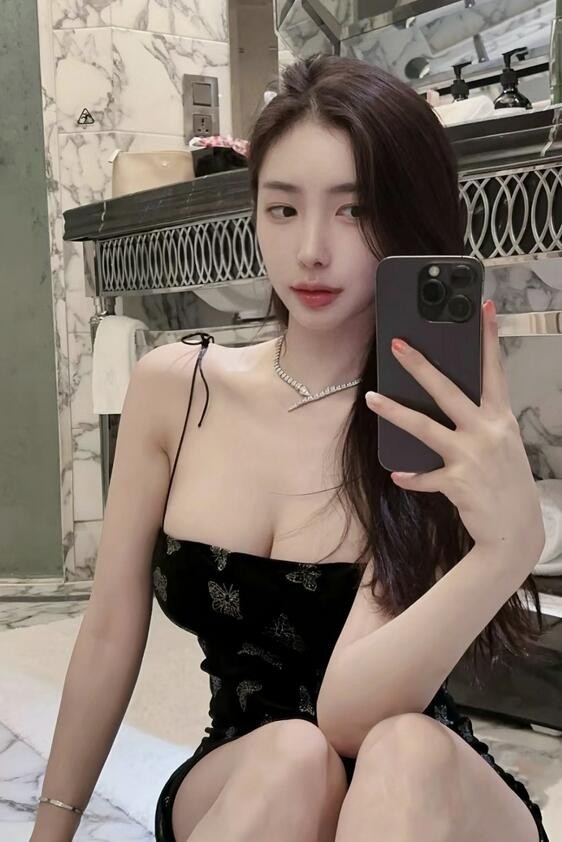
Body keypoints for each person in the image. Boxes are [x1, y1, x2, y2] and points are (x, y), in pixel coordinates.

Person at [31, 54, 549, 842]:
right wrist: (53, 827)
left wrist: (508, 549)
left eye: (353, 209)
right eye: (282, 208)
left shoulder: (436, 422)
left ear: (408, 218)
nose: (311, 249)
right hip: (248, 775)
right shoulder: (176, 388)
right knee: (293, 759)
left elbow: (350, 716)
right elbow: (108, 629)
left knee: (401, 750)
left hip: (418, 792)